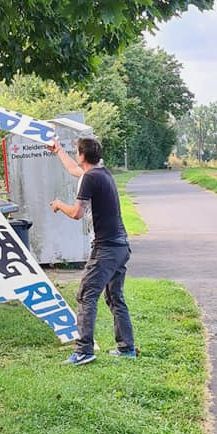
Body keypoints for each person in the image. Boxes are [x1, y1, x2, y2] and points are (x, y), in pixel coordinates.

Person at [48, 136, 136, 366]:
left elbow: (77, 213)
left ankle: (84, 351)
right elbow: (73, 169)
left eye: (76, 151)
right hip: (120, 246)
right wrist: (57, 150)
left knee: (86, 294)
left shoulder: (90, 178)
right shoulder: (101, 173)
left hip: (106, 248)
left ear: (82, 155)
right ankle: (127, 348)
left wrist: (58, 205)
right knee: (114, 296)